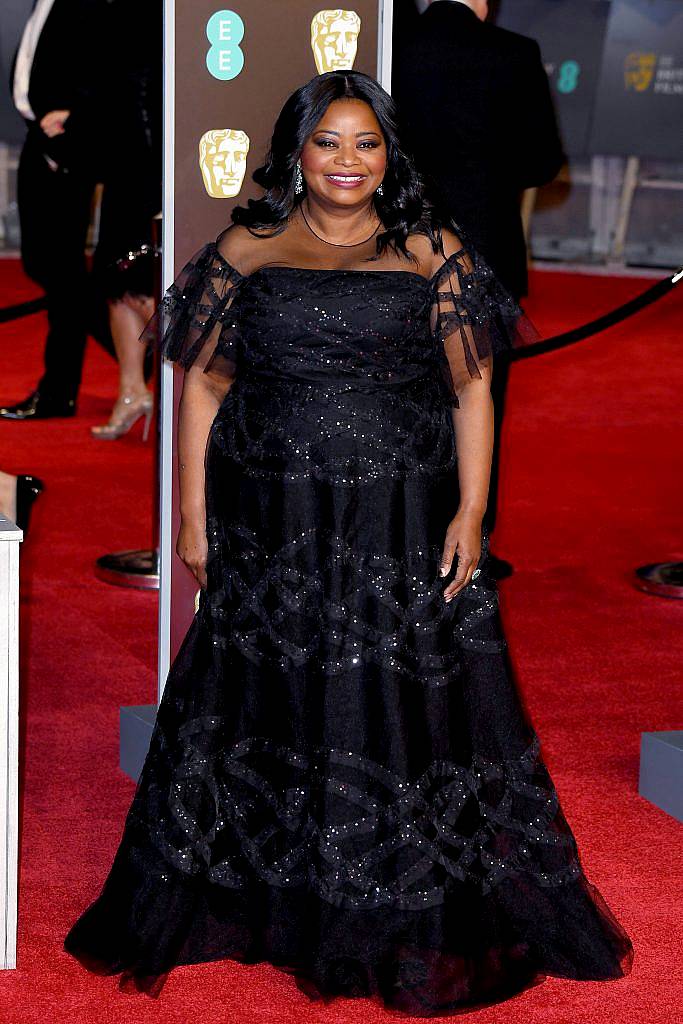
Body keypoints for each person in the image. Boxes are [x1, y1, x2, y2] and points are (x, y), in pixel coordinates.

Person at [64, 72, 632, 1014]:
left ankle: (381, 901)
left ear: (387, 154)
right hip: (271, 517)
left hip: (398, 516)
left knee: (394, 694)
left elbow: (472, 390)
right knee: (269, 694)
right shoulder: (245, 247)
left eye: (365, 143)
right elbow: (202, 388)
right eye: (328, 141)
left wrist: (470, 513)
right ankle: (271, 892)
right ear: (296, 149)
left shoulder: (429, 249)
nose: (346, 161)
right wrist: (194, 517)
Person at [392, 0, 565, 571]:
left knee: (394, 393)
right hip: (486, 249)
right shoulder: (515, 53)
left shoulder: (388, 45)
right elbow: (542, 163)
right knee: (480, 395)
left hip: (396, 250)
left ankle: (395, 534)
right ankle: (469, 544)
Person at [0, 0, 106, 421]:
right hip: (37, 139)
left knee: (61, 272)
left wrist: (76, 117)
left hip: (67, 143)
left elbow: (112, 63)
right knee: (42, 265)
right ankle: (137, 351)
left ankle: (58, 392)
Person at [90, 0, 162, 441]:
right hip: (122, 159)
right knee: (116, 280)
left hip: (154, 158)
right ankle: (132, 390)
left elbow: (152, 86)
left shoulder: (160, 13)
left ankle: (185, 391)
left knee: (145, 279)